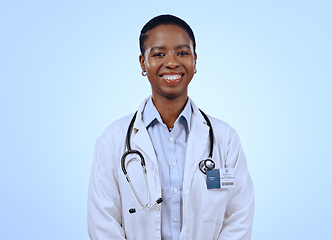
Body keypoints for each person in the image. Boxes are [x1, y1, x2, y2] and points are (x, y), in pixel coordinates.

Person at [87, 14, 254, 240]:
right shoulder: (112, 140)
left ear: (195, 60)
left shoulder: (225, 139)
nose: (172, 62)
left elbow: (239, 216)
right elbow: (102, 222)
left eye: (182, 52)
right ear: (143, 63)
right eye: (159, 54)